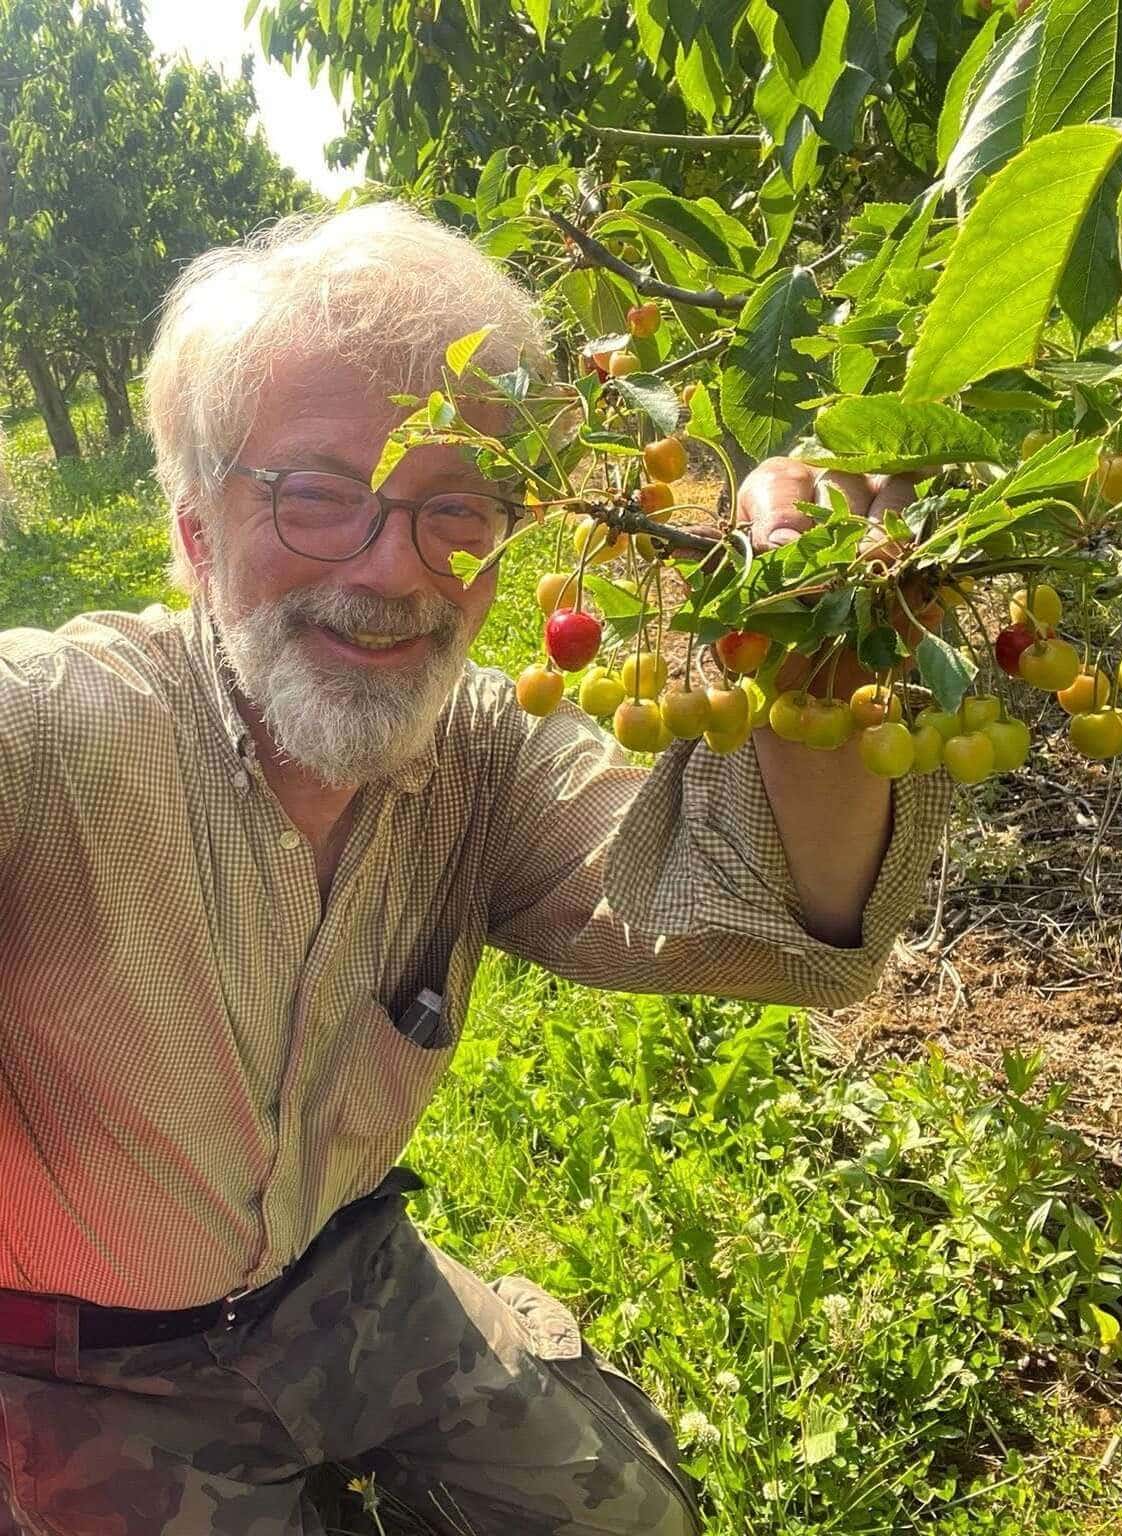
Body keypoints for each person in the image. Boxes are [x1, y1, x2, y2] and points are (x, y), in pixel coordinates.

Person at [0, 202, 950, 1535]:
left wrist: (819, 653)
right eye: (319, 494)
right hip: (70, 1368)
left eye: (457, 506)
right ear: (197, 531)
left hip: (347, 1277)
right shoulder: (48, 730)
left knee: (627, 1516)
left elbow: (771, 922)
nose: (396, 568)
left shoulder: (483, 754)